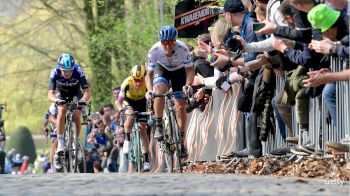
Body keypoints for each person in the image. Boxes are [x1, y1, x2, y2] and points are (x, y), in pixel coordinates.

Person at [146, 26, 195, 157]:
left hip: (179, 72)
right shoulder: (154, 50)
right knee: (160, 90)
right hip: (161, 69)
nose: (168, 46)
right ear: (160, 42)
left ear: (175, 41)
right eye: (164, 43)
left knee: (181, 106)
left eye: (171, 42)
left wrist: (188, 85)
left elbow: (190, 71)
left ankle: (181, 140)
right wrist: (150, 91)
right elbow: (149, 74)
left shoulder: (183, 49)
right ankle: (159, 124)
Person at [48, 53, 91, 170]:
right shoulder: (55, 72)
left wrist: (83, 100)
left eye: (70, 71)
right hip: (60, 93)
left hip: (75, 93)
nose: (67, 73)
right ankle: (61, 143)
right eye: (64, 71)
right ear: (60, 68)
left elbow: (87, 92)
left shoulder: (79, 70)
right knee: (61, 110)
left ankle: (76, 141)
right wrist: (56, 100)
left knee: (77, 112)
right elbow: (50, 94)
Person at [116, 65, 150, 171]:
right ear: (132, 78)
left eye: (141, 80)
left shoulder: (147, 83)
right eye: (136, 80)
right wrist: (121, 109)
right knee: (130, 116)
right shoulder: (127, 82)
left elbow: (151, 100)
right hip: (129, 101)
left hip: (142, 102)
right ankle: (127, 140)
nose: (138, 83)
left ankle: (146, 160)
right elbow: (119, 101)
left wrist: (151, 111)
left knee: (143, 129)